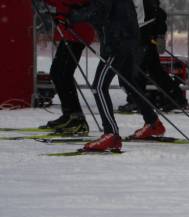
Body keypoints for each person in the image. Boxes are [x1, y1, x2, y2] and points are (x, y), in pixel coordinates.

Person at [64, 0, 164, 151]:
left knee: (99, 86)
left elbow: (98, 12)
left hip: (117, 42)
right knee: (129, 83)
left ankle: (110, 133)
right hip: (127, 38)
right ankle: (152, 122)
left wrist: (72, 16)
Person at [119, 0, 187, 114]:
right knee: (154, 70)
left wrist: (159, 34)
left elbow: (157, 13)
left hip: (143, 36)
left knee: (138, 71)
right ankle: (176, 97)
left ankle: (137, 100)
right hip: (143, 35)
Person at [42, 0, 95, 135]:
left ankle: (77, 119)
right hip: (69, 30)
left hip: (77, 29)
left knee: (63, 74)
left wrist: (62, 13)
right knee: (57, 73)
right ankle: (69, 114)